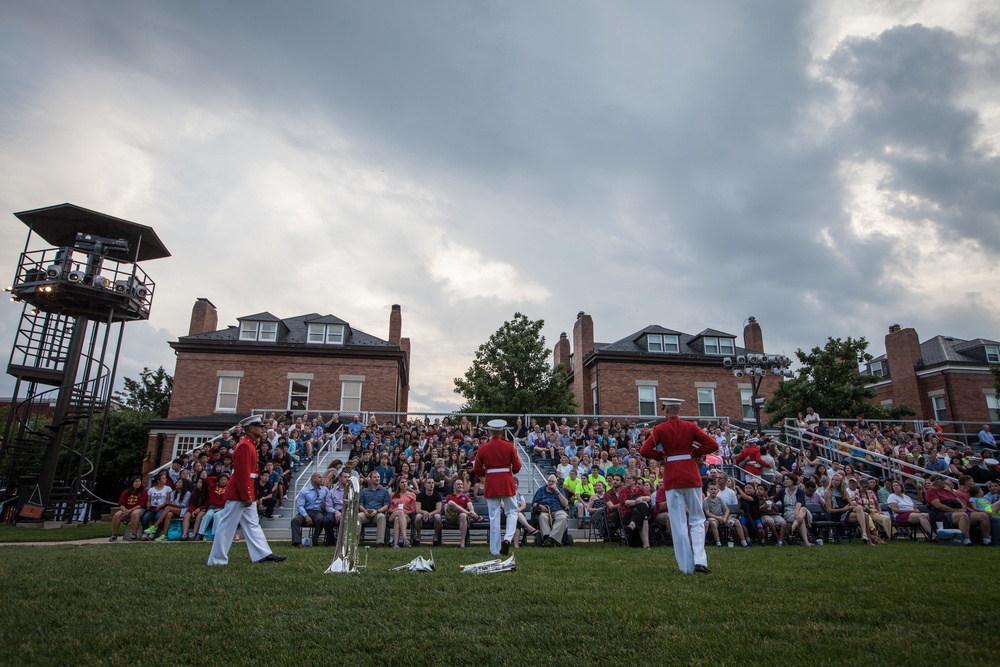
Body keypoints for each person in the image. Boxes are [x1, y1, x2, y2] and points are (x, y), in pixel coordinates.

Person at [639, 397, 719, 574]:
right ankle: (700, 559)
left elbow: (644, 451)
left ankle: (686, 566)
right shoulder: (690, 426)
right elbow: (712, 444)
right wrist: (695, 452)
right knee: (697, 519)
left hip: (672, 477)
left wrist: (661, 456)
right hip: (691, 475)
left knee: (678, 522)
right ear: (679, 411)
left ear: (666, 411)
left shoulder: (659, 429)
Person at [207, 415, 286, 565]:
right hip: (240, 493)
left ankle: (262, 554)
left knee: (252, 524)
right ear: (250, 428)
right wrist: (246, 495)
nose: (262, 428)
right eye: (259, 426)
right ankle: (217, 559)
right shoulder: (245, 445)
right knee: (227, 526)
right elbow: (242, 474)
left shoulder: (250, 444)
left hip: (246, 491)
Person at [470, 419, 522, 556]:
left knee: (494, 516)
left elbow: (477, 469)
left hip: (491, 482)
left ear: (490, 431)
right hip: (506, 480)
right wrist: (511, 471)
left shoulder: (483, 448)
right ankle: (508, 539)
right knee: (512, 511)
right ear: (502, 431)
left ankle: (494, 550)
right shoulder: (509, 446)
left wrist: (486, 473)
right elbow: (517, 466)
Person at [292, 472, 328, 548]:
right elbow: (300, 506)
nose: (321, 479)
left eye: (322, 477)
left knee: (320, 519)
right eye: (319, 477)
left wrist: (325, 503)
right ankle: (297, 542)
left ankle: (315, 541)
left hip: (318, 511)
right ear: (313, 479)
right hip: (306, 511)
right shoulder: (304, 491)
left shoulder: (325, 490)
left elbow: (330, 499)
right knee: (295, 520)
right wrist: (306, 516)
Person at [532, 475, 569, 547]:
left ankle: (551, 539)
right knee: (542, 517)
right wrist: (540, 506)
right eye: (549, 481)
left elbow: (565, 504)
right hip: (545, 510)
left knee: (563, 517)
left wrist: (557, 491)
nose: (550, 483)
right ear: (547, 481)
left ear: (556, 483)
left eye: (552, 481)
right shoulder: (541, 490)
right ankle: (546, 537)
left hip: (558, 510)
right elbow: (534, 503)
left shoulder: (560, 490)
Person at [445, 479, 482, 548]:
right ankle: (469, 514)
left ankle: (462, 542)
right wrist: (469, 513)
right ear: (454, 486)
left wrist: (472, 511)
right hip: (451, 516)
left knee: (463, 515)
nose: (460, 485)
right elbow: (446, 508)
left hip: (462, 518)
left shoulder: (465, 497)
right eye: (458, 484)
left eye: (461, 484)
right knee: (451, 503)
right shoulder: (449, 497)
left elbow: (470, 505)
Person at [359, 471, 391, 547]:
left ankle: (380, 542)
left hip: (377, 512)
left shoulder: (384, 491)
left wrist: (377, 511)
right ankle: (355, 541)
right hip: (366, 512)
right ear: (370, 479)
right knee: (358, 516)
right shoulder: (364, 491)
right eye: (375, 477)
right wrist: (364, 511)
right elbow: (360, 504)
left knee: (382, 517)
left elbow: (386, 505)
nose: (377, 479)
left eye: (378, 477)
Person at [110, 476, 146, 541]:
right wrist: (124, 511)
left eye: (139, 481)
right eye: (135, 481)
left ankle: (134, 534)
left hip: (138, 509)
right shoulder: (126, 491)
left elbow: (141, 504)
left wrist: (130, 510)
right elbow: (121, 503)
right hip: (127, 509)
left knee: (134, 514)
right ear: (132, 483)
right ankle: (114, 534)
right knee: (117, 514)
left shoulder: (143, 491)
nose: (137, 483)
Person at [322, 469, 349, 546]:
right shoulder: (331, 491)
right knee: (327, 520)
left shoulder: (352, 491)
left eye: (348, 477)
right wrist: (336, 512)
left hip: (347, 511)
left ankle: (344, 542)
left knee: (347, 518)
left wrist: (342, 513)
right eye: (345, 477)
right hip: (335, 511)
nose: (347, 479)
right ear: (340, 478)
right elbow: (328, 506)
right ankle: (331, 541)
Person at [141, 471, 172, 539]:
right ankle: (145, 533)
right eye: (163, 478)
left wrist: (160, 506)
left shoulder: (168, 489)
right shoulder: (151, 489)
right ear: (158, 480)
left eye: (165, 478)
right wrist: (148, 505)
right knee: (145, 518)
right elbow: (149, 499)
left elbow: (167, 500)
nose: (165, 480)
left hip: (162, 507)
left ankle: (153, 533)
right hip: (153, 507)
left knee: (158, 516)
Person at [413, 477, 443, 546]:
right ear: (425, 485)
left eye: (433, 483)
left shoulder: (437, 495)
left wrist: (429, 514)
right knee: (417, 517)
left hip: (433, 514)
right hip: (422, 514)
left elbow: (438, 509)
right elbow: (417, 510)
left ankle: (435, 536)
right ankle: (418, 535)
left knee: (438, 517)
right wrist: (424, 512)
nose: (431, 485)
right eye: (429, 483)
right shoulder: (420, 495)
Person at [388, 476, 417, 548]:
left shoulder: (412, 495)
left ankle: (395, 544)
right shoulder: (393, 494)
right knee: (399, 513)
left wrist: (403, 512)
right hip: (393, 514)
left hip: (407, 516)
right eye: (402, 482)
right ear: (398, 484)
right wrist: (398, 511)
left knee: (397, 519)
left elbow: (413, 510)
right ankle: (405, 539)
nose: (404, 484)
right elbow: (389, 509)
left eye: (406, 482)